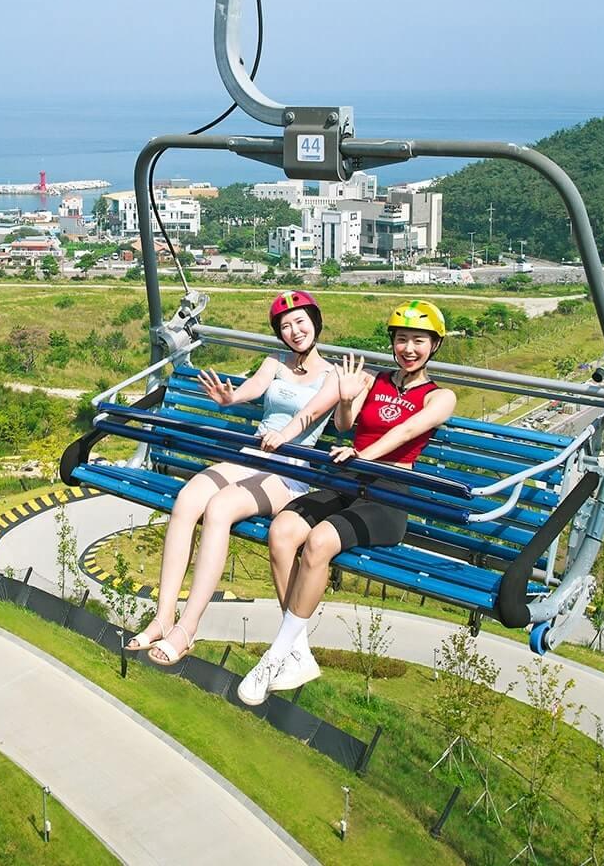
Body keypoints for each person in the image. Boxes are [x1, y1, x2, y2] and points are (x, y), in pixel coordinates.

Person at [238, 299, 457, 704]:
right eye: (402, 340)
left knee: (319, 541)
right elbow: (343, 426)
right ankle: (297, 650)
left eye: (419, 341)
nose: (409, 349)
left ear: (434, 346)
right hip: (347, 478)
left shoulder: (439, 397)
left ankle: (276, 654)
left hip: (390, 492)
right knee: (283, 531)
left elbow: (410, 430)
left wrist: (366, 455)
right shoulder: (373, 381)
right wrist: (344, 397)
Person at [129, 290, 340, 666]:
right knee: (189, 498)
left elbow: (310, 415)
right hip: (252, 456)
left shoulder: (333, 375)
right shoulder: (275, 362)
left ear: (315, 323)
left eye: (301, 322)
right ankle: (163, 616)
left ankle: (188, 627)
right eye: (286, 326)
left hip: (289, 469)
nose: (294, 331)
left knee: (220, 508)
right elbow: (252, 390)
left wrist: (285, 436)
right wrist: (231, 399)